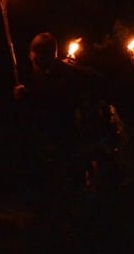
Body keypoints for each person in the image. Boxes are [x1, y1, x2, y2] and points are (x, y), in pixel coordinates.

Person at [13, 32, 116, 204]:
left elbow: (54, 101)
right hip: (52, 137)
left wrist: (28, 97)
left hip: (71, 137)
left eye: (36, 56)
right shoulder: (45, 70)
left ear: (48, 56)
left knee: (70, 182)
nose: (32, 59)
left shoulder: (68, 74)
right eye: (32, 55)